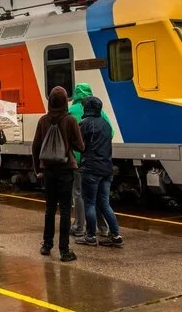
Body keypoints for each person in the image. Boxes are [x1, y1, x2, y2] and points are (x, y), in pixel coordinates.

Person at [31, 86, 85, 262]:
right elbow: (80, 146)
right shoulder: (70, 120)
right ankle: (64, 250)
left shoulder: (43, 121)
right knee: (64, 210)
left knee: (49, 208)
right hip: (65, 169)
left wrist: (38, 169)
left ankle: (46, 245)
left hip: (48, 170)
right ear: (64, 102)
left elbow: (36, 146)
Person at [76, 97, 124, 248]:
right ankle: (115, 234)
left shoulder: (84, 124)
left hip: (91, 168)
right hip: (106, 168)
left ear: (87, 108)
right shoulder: (106, 125)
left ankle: (90, 236)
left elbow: (78, 145)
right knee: (104, 202)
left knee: (89, 203)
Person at [69, 83, 111, 239]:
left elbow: (69, 136)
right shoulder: (102, 113)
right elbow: (110, 132)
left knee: (79, 194)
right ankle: (103, 228)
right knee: (99, 196)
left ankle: (79, 226)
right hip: (101, 159)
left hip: (79, 160)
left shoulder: (71, 111)